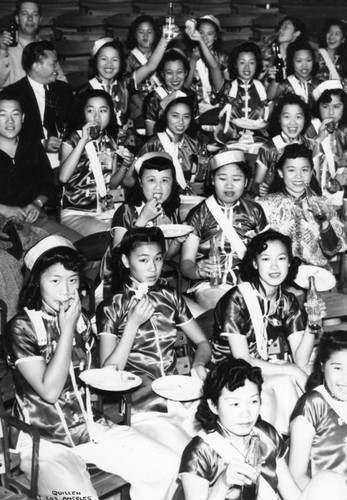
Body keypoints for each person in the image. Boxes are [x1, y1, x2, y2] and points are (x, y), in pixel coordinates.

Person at [3, 235, 180, 500]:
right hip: (45, 442)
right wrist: (66, 330)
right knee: (78, 496)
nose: (66, 291)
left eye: (72, 280)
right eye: (55, 281)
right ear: (36, 282)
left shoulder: (82, 321)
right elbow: (50, 392)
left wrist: (128, 330)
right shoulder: (21, 327)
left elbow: (100, 375)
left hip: (92, 427)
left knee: (166, 465)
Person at [96, 226, 212, 453]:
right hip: (141, 409)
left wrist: (198, 364)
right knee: (189, 455)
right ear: (126, 261)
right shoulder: (112, 306)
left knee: (219, 446)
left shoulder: (169, 297)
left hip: (181, 398)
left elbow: (203, 343)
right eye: (143, 260)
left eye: (158, 259)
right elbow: (107, 373)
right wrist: (132, 324)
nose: (153, 268)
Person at [179, 357, 342, 500]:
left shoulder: (266, 434)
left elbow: (292, 495)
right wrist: (222, 484)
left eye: (253, 401)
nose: (246, 413)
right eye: (235, 404)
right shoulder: (199, 453)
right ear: (213, 406)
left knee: (328, 480)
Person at [212, 229, 322, 435]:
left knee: (315, 372)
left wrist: (311, 326)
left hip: (268, 364)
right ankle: (288, 440)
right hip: (233, 372)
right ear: (254, 263)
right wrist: (290, 370)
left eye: (281, 258)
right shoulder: (237, 299)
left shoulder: (287, 301)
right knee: (284, 381)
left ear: (289, 263)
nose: (274, 266)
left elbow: (300, 359)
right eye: (266, 259)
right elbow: (242, 359)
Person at [180, 149, 267, 310]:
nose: (229, 185)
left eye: (236, 179)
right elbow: (186, 263)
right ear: (212, 180)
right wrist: (198, 271)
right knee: (225, 310)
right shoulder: (199, 214)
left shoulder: (255, 211)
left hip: (250, 281)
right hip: (211, 285)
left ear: (246, 182)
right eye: (222, 178)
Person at [100, 152, 184, 299]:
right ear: (140, 182)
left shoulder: (170, 212)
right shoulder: (126, 211)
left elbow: (164, 257)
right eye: (151, 180)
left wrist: (177, 241)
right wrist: (142, 220)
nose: (158, 188)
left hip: (155, 284)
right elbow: (118, 257)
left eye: (165, 181)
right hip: (121, 288)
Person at [0, 90, 80, 243]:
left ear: (23, 117)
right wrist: (6, 210)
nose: (9, 121)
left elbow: (46, 183)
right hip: (2, 223)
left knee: (82, 246)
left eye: (15, 114)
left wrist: (37, 204)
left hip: (33, 219)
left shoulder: (32, 146)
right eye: (2, 115)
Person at [259, 143, 347, 270]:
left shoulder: (322, 204)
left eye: (304, 170)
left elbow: (333, 250)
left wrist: (324, 225)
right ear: (280, 173)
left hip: (316, 274)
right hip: (277, 274)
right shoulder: (265, 205)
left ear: (312, 173)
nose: (298, 176)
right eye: (291, 170)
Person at [59, 89, 134, 236]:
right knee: (116, 234)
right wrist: (83, 142)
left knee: (134, 228)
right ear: (83, 113)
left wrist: (125, 166)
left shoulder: (111, 141)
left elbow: (112, 184)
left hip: (106, 211)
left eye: (103, 111)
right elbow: (63, 177)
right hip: (77, 212)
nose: (96, 117)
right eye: (90, 110)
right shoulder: (72, 139)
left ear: (110, 113)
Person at [289, 330, 347, 493]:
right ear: (322, 366)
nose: (345, 378)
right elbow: (296, 475)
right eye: (337, 368)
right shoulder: (313, 404)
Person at [4, 40, 74, 171]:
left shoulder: (63, 90)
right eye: (53, 64)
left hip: (65, 158)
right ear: (36, 66)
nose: (57, 69)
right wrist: (41, 144)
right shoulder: (13, 94)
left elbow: (74, 123)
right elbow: (10, 135)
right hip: (30, 162)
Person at [252, 94, 319, 196]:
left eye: (298, 117)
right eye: (287, 117)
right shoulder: (268, 148)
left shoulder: (311, 146)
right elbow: (256, 185)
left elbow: (316, 182)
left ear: (305, 119)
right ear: (279, 119)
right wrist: (261, 189)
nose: (293, 123)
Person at [125, 15, 179, 138]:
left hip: (165, 100)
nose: (145, 36)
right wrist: (145, 108)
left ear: (156, 34)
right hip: (140, 105)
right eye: (141, 32)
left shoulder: (162, 53)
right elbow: (129, 89)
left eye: (149, 32)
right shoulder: (128, 59)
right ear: (134, 34)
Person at [214, 42, 269, 149]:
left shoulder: (263, 88)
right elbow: (213, 67)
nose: (247, 67)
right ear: (235, 64)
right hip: (231, 143)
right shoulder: (227, 88)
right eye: (242, 62)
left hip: (259, 144)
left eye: (251, 63)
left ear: (257, 65)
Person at [0, 0, 66, 90]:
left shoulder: (47, 49)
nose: (30, 18)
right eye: (24, 14)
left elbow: (62, 82)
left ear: (40, 20)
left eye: (34, 14)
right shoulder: (4, 47)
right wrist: (2, 50)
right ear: (17, 19)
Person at [137, 94, 199, 191]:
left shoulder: (195, 145)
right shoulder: (152, 144)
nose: (181, 122)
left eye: (186, 117)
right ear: (165, 116)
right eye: (175, 116)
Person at [143, 48, 198, 137]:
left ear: (186, 73)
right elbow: (151, 135)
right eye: (169, 73)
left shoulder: (191, 96)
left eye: (179, 72)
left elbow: (195, 131)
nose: (175, 78)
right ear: (162, 74)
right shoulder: (153, 98)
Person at [308, 80, 347, 204]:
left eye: (336, 106)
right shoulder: (309, 129)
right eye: (325, 106)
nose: (331, 112)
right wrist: (318, 138)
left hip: (339, 193)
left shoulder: (344, 130)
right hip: (312, 192)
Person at [184, 15, 229, 116]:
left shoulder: (222, 57)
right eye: (201, 33)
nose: (204, 38)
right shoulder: (187, 56)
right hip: (193, 107)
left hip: (217, 107)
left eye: (210, 34)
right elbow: (184, 86)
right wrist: (193, 61)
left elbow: (228, 88)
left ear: (216, 36)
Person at [267, 40, 320, 108]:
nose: (304, 65)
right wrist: (276, 78)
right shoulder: (285, 84)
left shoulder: (319, 84)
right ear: (291, 62)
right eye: (299, 61)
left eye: (308, 60)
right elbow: (269, 97)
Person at [260, 15, 308, 85]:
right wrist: (266, 77)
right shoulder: (267, 53)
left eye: (285, 27)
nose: (280, 30)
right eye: (281, 27)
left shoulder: (299, 56)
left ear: (296, 33)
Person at [316, 19, 347, 83]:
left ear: (343, 39)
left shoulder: (343, 62)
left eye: (337, 34)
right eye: (329, 32)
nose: (331, 37)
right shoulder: (315, 56)